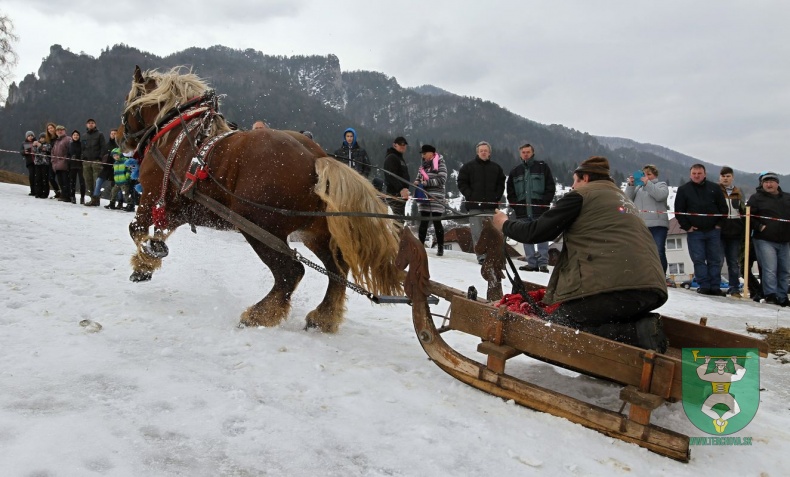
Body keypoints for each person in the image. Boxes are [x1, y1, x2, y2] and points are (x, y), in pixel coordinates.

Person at [492, 156, 668, 351]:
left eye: (575, 181)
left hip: (615, 289)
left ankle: (635, 334)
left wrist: (504, 223)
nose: (572, 186)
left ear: (585, 178)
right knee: (595, 313)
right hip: (651, 289)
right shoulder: (622, 198)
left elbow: (535, 232)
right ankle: (639, 328)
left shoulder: (581, 196)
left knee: (558, 326)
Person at [674, 164, 728, 296]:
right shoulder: (683, 190)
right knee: (698, 259)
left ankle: (715, 286)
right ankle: (703, 286)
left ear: (705, 174)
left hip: (713, 231)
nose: (696, 176)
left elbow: (723, 209)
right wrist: (687, 227)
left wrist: (719, 224)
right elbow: (679, 211)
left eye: (699, 173)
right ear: (690, 174)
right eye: (694, 173)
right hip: (695, 232)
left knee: (715, 260)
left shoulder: (715, 188)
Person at [506, 143, 556, 272]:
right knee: (526, 237)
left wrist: (545, 202)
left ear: (532, 153)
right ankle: (531, 263)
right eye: (523, 152)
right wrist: (515, 205)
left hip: (540, 209)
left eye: (528, 152)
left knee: (542, 236)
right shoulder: (515, 171)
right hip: (522, 211)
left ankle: (543, 263)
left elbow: (550, 187)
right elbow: (510, 191)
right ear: (520, 154)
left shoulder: (542, 167)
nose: (526, 154)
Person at [457, 141, 506, 264]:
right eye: (481, 150)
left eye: (485, 150)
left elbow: (501, 184)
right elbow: (461, 182)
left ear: (489, 153)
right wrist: (470, 194)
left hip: (491, 207)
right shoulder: (468, 167)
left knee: (493, 232)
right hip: (474, 207)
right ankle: (481, 256)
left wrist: (496, 197)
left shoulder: (496, 168)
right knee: (477, 232)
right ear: (477, 153)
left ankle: (493, 254)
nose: (483, 152)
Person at [747, 172, 790, 306]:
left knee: (785, 269)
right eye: (766, 182)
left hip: (785, 240)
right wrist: (759, 226)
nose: (769, 184)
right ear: (762, 184)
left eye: (771, 181)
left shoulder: (787, 198)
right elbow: (748, 216)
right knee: (770, 268)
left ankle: (782, 296)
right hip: (765, 239)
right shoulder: (756, 198)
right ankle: (771, 295)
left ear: (777, 183)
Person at [625, 164, 670, 273]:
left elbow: (660, 196)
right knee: (641, 252)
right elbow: (627, 200)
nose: (645, 177)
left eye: (649, 174)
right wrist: (631, 185)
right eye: (643, 174)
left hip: (658, 225)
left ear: (655, 175)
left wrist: (647, 183)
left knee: (658, 251)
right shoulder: (637, 188)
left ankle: (661, 276)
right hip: (641, 225)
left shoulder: (661, 185)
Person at [718, 166, 746, 297]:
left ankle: (734, 288)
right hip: (719, 231)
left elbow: (743, 211)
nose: (725, 178)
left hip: (735, 232)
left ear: (732, 177)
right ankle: (715, 286)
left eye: (728, 176)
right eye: (723, 176)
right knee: (717, 261)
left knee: (733, 262)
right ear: (720, 177)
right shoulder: (715, 191)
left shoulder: (739, 192)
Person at [414, 145, 447, 256]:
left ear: (432, 153)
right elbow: (419, 177)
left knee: (437, 222)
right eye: (422, 154)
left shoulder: (441, 163)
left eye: (424, 153)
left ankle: (441, 248)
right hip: (424, 197)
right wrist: (417, 182)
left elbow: (442, 179)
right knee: (423, 222)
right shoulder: (423, 166)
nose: (423, 156)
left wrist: (427, 183)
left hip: (436, 197)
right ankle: (420, 246)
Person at [383, 136, 411, 223]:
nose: (403, 146)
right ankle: (396, 236)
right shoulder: (392, 157)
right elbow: (390, 176)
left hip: (400, 195)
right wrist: (401, 189)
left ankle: (398, 235)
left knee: (400, 220)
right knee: (397, 221)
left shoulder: (399, 158)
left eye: (404, 144)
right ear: (394, 145)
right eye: (400, 144)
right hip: (394, 194)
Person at [81, 119, 107, 206]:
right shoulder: (84, 136)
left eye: (92, 123)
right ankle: (92, 198)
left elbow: (103, 147)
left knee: (97, 181)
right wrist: (83, 157)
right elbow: (82, 148)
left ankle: (96, 199)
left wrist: (100, 157)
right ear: (86, 125)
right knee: (88, 180)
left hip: (96, 161)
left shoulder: (100, 134)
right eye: (89, 123)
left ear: (95, 124)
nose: (91, 124)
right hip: (86, 161)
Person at [91, 128, 118, 208]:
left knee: (117, 186)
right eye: (112, 133)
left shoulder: (119, 145)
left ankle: (115, 202)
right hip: (106, 167)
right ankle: (95, 199)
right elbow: (103, 153)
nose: (113, 135)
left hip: (116, 168)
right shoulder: (107, 144)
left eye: (115, 133)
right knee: (98, 181)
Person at [50, 125, 72, 203]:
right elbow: (53, 153)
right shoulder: (56, 141)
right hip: (57, 165)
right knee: (60, 182)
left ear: (64, 131)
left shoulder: (68, 139)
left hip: (65, 164)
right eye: (58, 130)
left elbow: (70, 152)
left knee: (66, 181)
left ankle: (67, 196)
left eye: (61, 130)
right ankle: (63, 195)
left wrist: (66, 160)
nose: (59, 131)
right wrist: (53, 162)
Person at [67, 130, 86, 204]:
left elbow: (84, 152)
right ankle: (73, 197)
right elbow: (67, 154)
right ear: (72, 136)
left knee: (82, 182)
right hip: (72, 165)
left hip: (81, 165)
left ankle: (82, 197)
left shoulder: (82, 144)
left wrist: (82, 156)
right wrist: (70, 159)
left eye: (77, 135)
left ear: (79, 136)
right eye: (74, 135)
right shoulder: (70, 144)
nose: (76, 136)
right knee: (72, 182)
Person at [44, 122, 62, 199]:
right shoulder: (48, 139)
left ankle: (63, 192)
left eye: (51, 128)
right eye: (48, 129)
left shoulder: (58, 138)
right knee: (51, 177)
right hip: (50, 160)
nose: (50, 130)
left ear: (55, 128)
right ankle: (57, 191)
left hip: (58, 160)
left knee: (60, 177)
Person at [32, 133, 52, 199]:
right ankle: (38, 192)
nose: (42, 139)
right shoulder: (36, 144)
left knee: (44, 178)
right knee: (38, 178)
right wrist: (34, 145)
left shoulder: (48, 144)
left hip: (45, 163)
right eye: (41, 138)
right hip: (37, 163)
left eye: (43, 138)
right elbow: (34, 151)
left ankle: (45, 193)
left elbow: (47, 149)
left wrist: (40, 146)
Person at [20, 131, 37, 196]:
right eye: (29, 136)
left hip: (37, 162)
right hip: (30, 162)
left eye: (31, 136)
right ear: (26, 137)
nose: (30, 137)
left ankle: (37, 190)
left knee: (37, 176)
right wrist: (24, 152)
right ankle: (32, 190)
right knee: (31, 176)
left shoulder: (36, 142)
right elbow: (21, 151)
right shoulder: (24, 143)